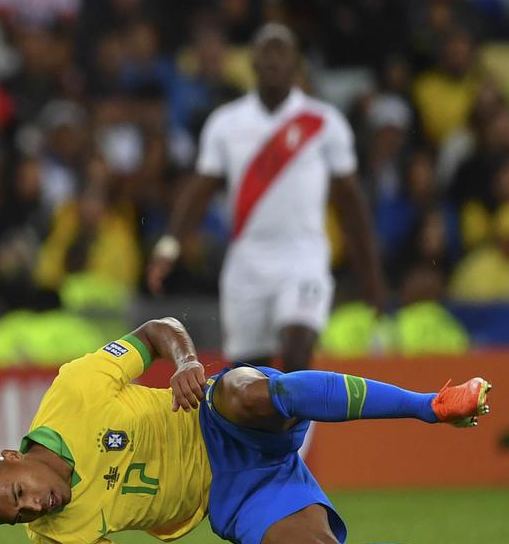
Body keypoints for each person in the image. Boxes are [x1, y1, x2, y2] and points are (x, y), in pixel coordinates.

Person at [0, 317, 509, 544]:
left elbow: (160, 329)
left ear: (10, 457)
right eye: (20, 516)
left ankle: (432, 404)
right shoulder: (55, 536)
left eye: (19, 493)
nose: (34, 507)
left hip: (215, 415)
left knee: (247, 389)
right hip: (234, 496)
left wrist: (185, 362)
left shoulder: (73, 392)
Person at [147, 23, 385, 371]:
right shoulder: (226, 123)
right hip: (247, 263)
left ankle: (297, 427)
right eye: (266, 51)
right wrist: (170, 247)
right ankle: (272, 426)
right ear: (253, 63)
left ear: (296, 64)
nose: (273, 59)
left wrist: (371, 278)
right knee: (247, 374)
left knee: (298, 346)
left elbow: (352, 205)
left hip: (304, 257)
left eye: (282, 51)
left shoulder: (323, 122)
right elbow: (199, 192)